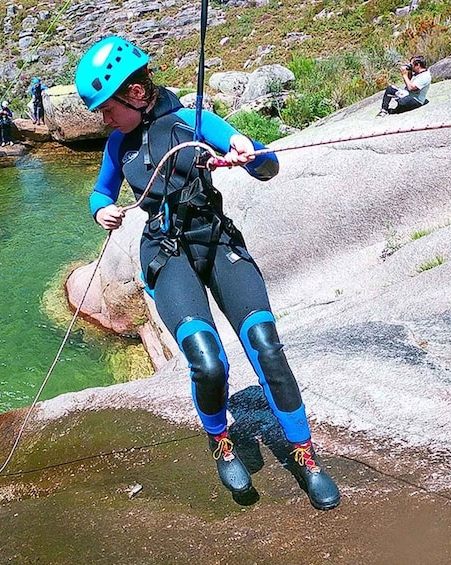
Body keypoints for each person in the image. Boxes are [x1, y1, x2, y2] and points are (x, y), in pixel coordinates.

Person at [75, 35, 340, 511]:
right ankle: (221, 442)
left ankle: (305, 455)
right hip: (165, 253)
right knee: (208, 360)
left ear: (134, 95)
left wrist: (247, 149)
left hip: (216, 243)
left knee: (265, 345)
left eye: (106, 107)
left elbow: (269, 166)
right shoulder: (117, 146)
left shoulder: (195, 122)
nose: (104, 118)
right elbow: (99, 193)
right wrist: (102, 213)